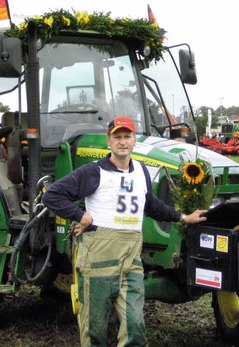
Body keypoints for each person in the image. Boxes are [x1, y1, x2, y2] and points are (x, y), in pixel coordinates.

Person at [42, 116, 207, 346]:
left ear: (134, 141)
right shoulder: (94, 172)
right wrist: (81, 216)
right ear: (109, 140)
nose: (122, 142)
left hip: (131, 260)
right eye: (117, 137)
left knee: (135, 327)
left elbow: (151, 205)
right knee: (94, 331)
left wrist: (183, 217)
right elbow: (52, 195)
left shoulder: (140, 171)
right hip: (99, 260)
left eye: (127, 136)